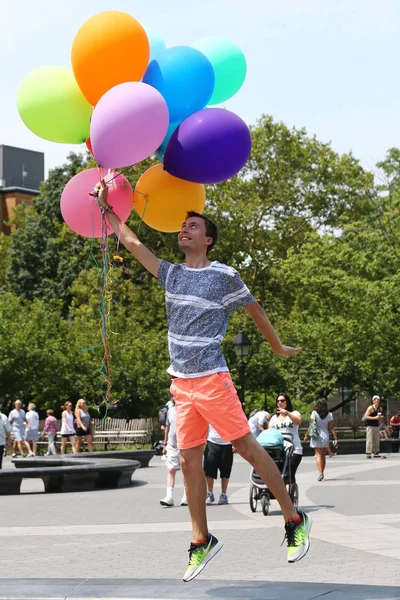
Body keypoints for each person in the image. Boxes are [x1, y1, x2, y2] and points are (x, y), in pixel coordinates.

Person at [94, 180, 311, 582]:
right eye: (183, 226)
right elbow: (131, 241)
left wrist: (278, 347)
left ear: (207, 239)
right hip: (181, 384)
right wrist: (105, 205)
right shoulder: (171, 274)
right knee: (190, 462)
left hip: (212, 377)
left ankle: (294, 519)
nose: (184, 229)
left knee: (245, 445)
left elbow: (255, 311)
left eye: (192, 226)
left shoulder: (224, 275)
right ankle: (201, 540)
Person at [268, 393, 302, 485]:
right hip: (279, 450)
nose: (280, 403)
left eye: (282, 400)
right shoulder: (274, 418)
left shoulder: (294, 413)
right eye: (278, 401)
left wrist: (287, 413)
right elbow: (270, 432)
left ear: (287, 402)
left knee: (289, 474)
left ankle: (290, 495)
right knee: (277, 474)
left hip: (294, 449)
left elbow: (298, 421)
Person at [159, 398, 187, 507]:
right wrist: (165, 444)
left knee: (186, 471)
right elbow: (167, 428)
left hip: (185, 445)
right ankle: (169, 497)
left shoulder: (187, 410)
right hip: (172, 445)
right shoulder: (170, 411)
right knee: (171, 469)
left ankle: (186, 496)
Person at [204, 424, 234, 505]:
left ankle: (223, 494)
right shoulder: (209, 411)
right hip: (212, 442)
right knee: (209, 468)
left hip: (227, 443)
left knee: (225, 471)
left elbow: (235, 426)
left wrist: (235, 442)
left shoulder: (229, 412)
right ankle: (210, 493)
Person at [308, 400, 338, 481]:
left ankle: (320, 473)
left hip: (316, 435)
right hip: (325, 434)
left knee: (318, 455)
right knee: (323, 455)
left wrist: (306, 435)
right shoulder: (329, 415)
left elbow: (311, 425)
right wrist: (335, 438)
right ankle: (322, 472)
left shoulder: (314, 413)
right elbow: (331, 427)